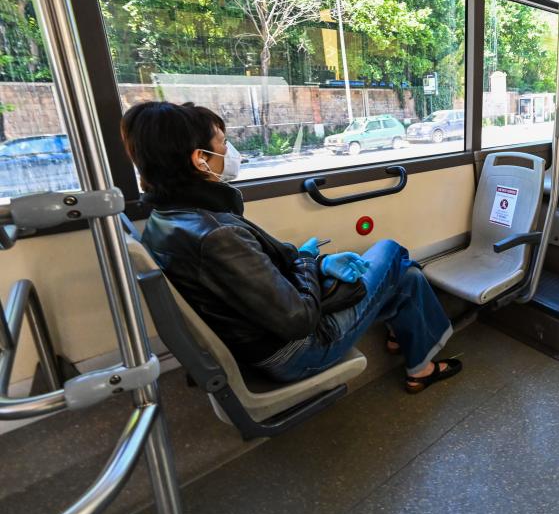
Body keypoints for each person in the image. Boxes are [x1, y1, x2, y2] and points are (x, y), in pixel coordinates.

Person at [120, 101, 461, 393]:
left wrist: (314, 262)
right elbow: (297, 318)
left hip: (258, 336)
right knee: (393, 253)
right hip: (296, 351)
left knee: (405, 278)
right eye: (223, 144)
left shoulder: (168, 220)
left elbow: (260, 278)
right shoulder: (215, 234)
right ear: (200, 159)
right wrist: (312, 262)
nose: (229, 152)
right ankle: (417, 358)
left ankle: (417, 363)